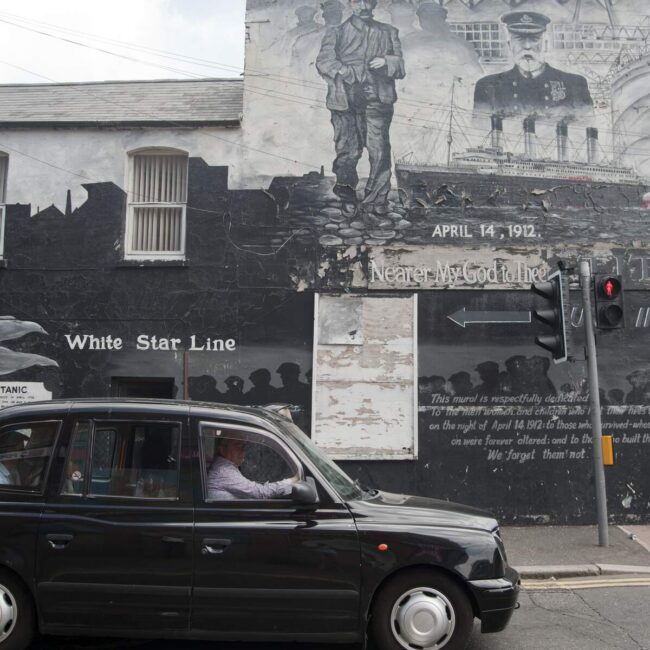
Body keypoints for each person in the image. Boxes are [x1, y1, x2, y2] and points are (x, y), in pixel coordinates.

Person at [316, 0, 405, 219]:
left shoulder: (389, 31)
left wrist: (387, 61)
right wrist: (347, 72)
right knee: (347, 152)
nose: (364, 7)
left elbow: (401, 67)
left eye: (368, 2)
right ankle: (347, 196)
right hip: (345, 102)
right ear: (350, 4)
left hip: (378, 101)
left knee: (380, 151)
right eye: (358, 2)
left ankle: (377, 200)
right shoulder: (336, 32)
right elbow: (324, 62)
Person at [473, 11, 592, 117]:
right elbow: (479, 133)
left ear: (545, 44)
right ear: (509, 45)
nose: (527, 46)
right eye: (519, 38)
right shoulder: (488, 86)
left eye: (534, 38)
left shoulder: (574, 84)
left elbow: (587, 131)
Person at [207, 438, 299, 500]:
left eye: (243, 447)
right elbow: (260, 492)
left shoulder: (225, 467)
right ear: (223, 450)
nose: (243, 451)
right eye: (238, 446)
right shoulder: (223, 471)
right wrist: (293, 480)